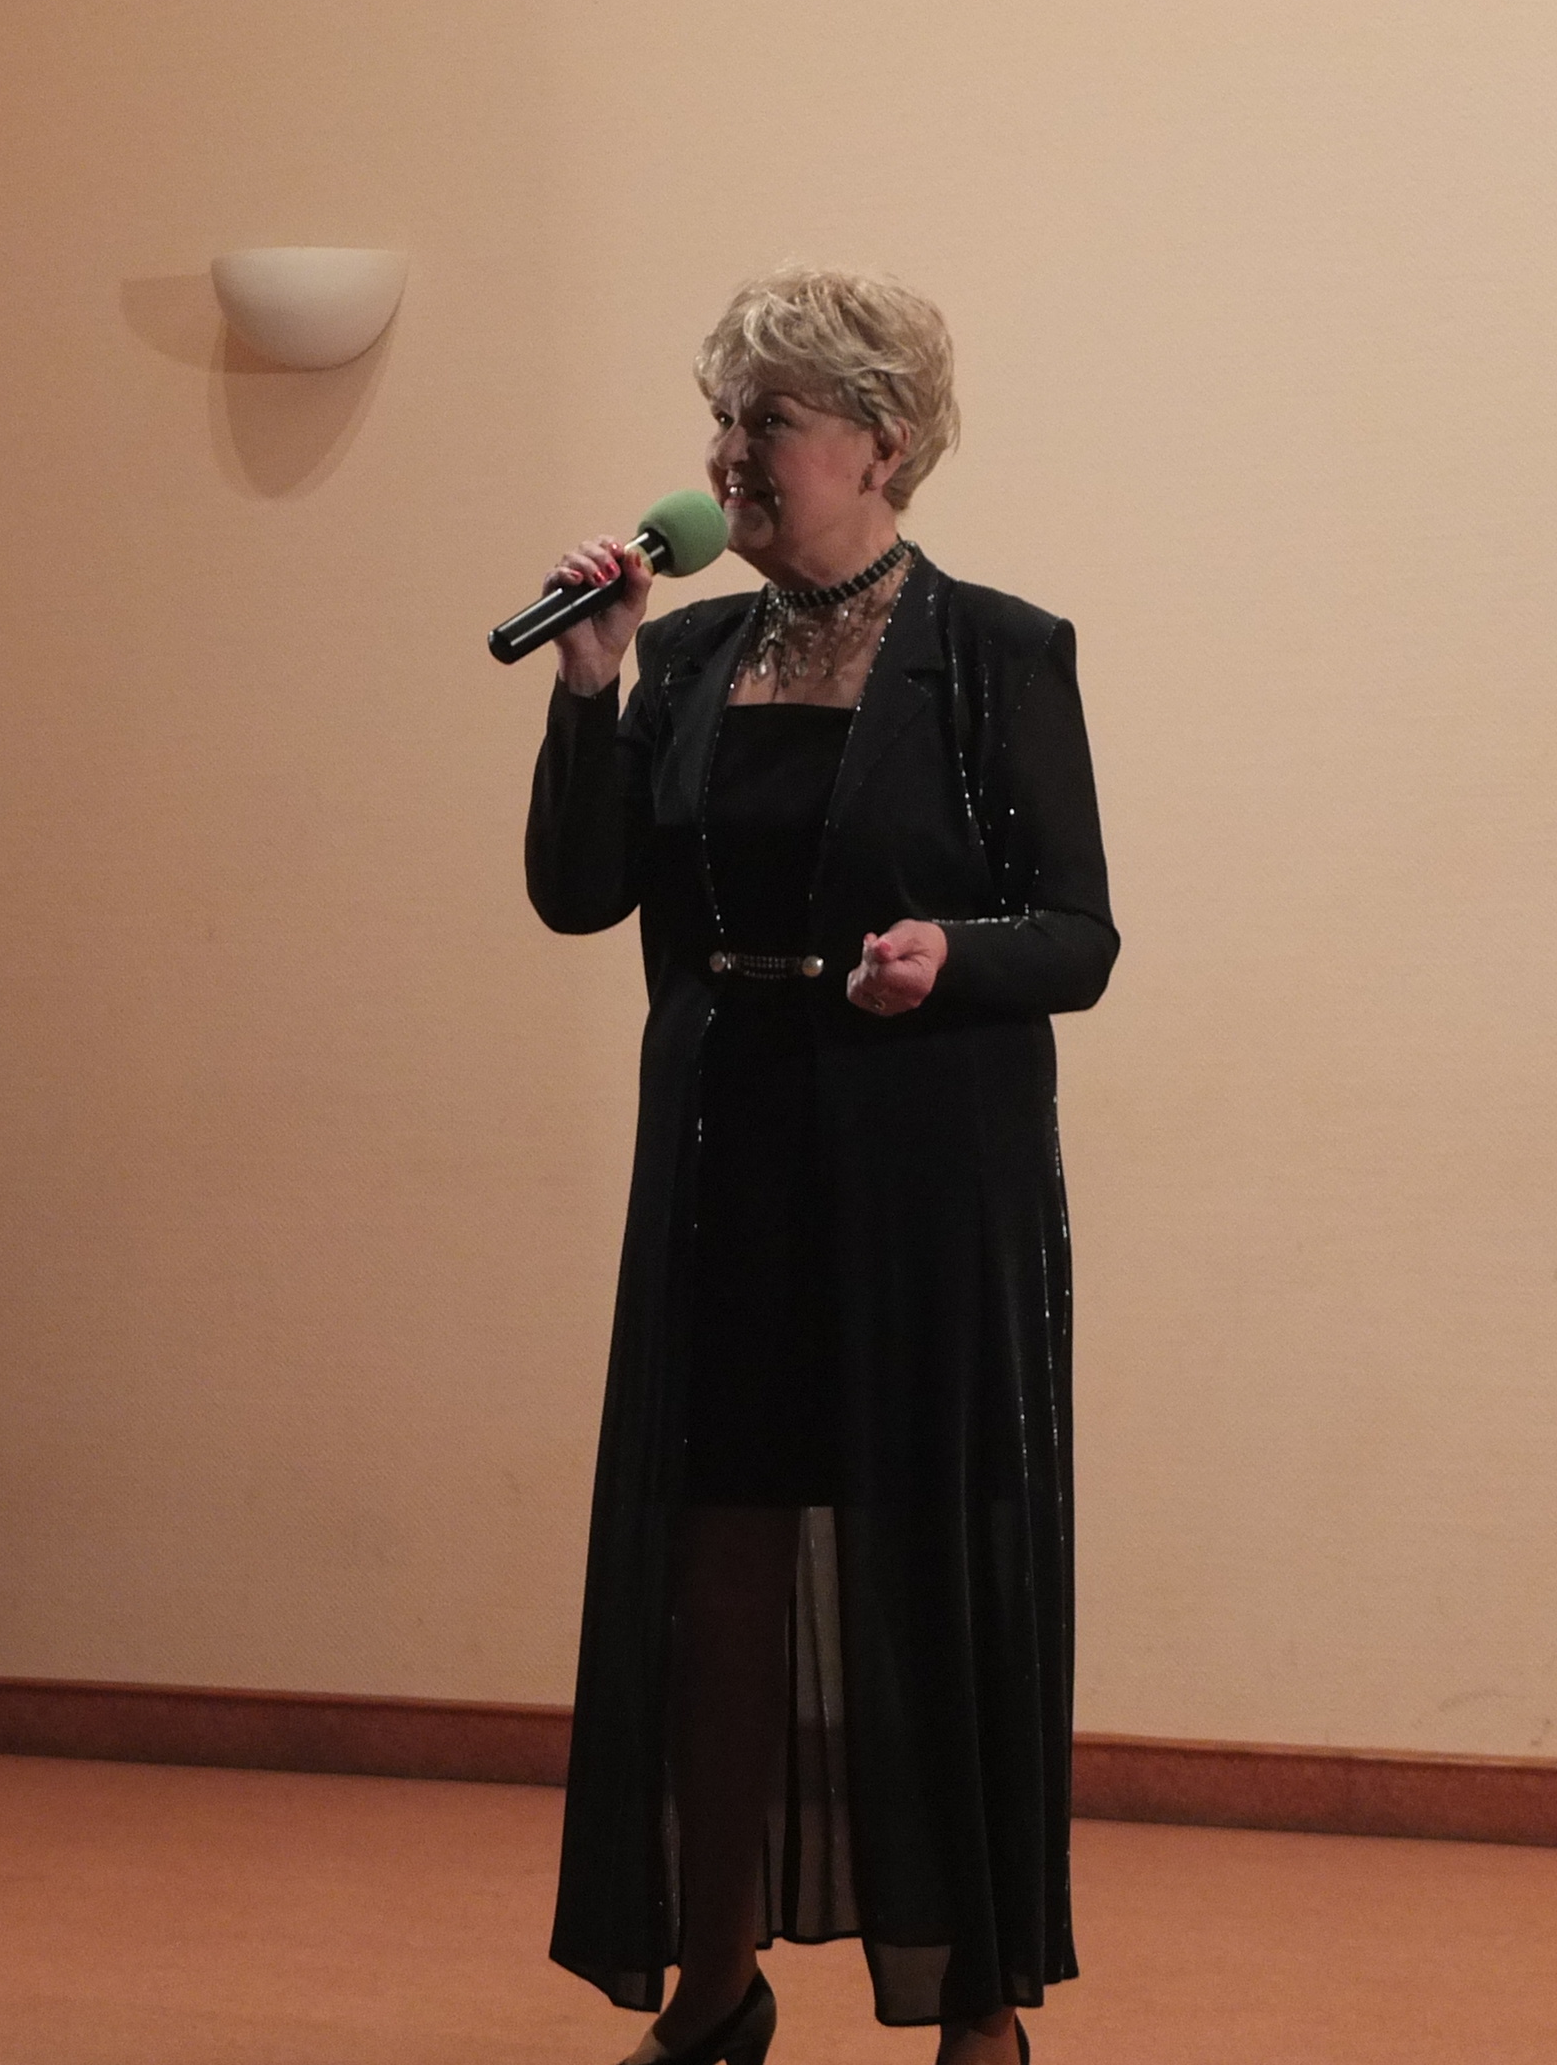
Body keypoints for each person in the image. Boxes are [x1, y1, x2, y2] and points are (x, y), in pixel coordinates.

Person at [525, 267, 1117, 2065]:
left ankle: (977, 2010)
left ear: (882, 442)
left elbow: (1078, 934)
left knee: (929, 1577)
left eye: (765, 422)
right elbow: (579, 893)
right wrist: (588, 690)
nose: (728, 455)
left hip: (923, 1173)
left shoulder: (997, 655)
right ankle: (716, 1993)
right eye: (721, 420)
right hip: (732, 1165)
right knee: (714, 1585)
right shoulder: (692, 658)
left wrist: (954, 952)